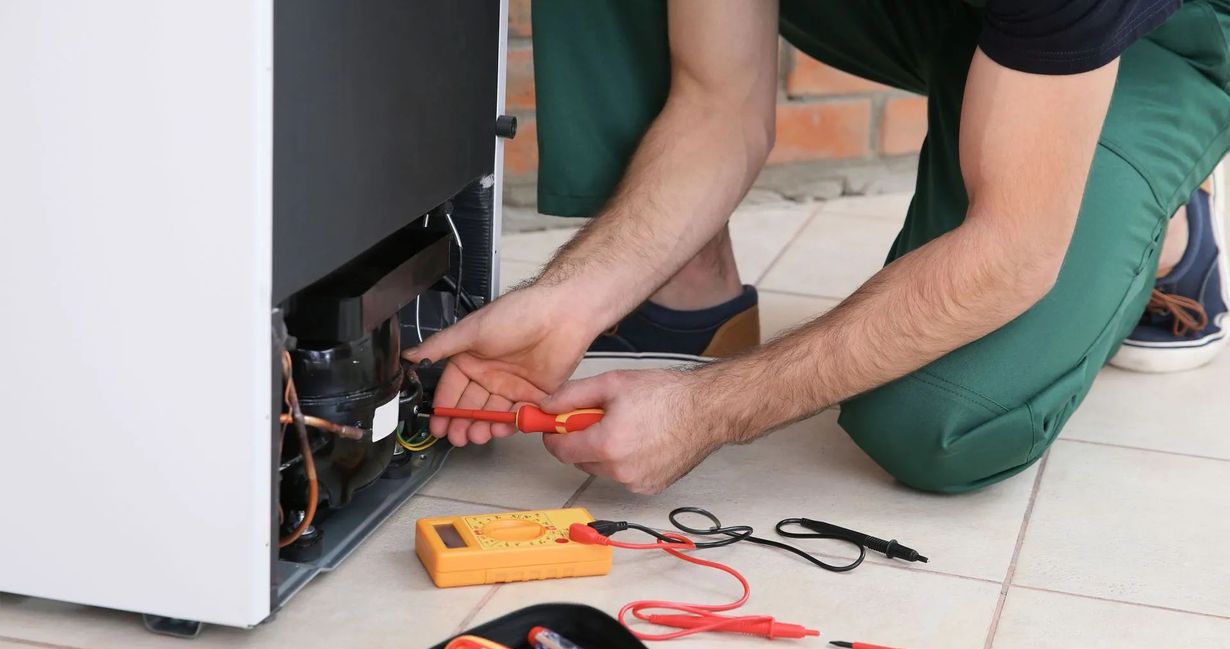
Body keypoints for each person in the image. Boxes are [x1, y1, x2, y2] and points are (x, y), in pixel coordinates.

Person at [406, 0, 1230, 495]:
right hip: (988, 23)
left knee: (935, 422)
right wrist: (572, 302)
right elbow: (717, 105)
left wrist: (709, 410)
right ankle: (687, 291)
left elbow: (1010, 250)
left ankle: (1158, 225)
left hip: (1157, 43)